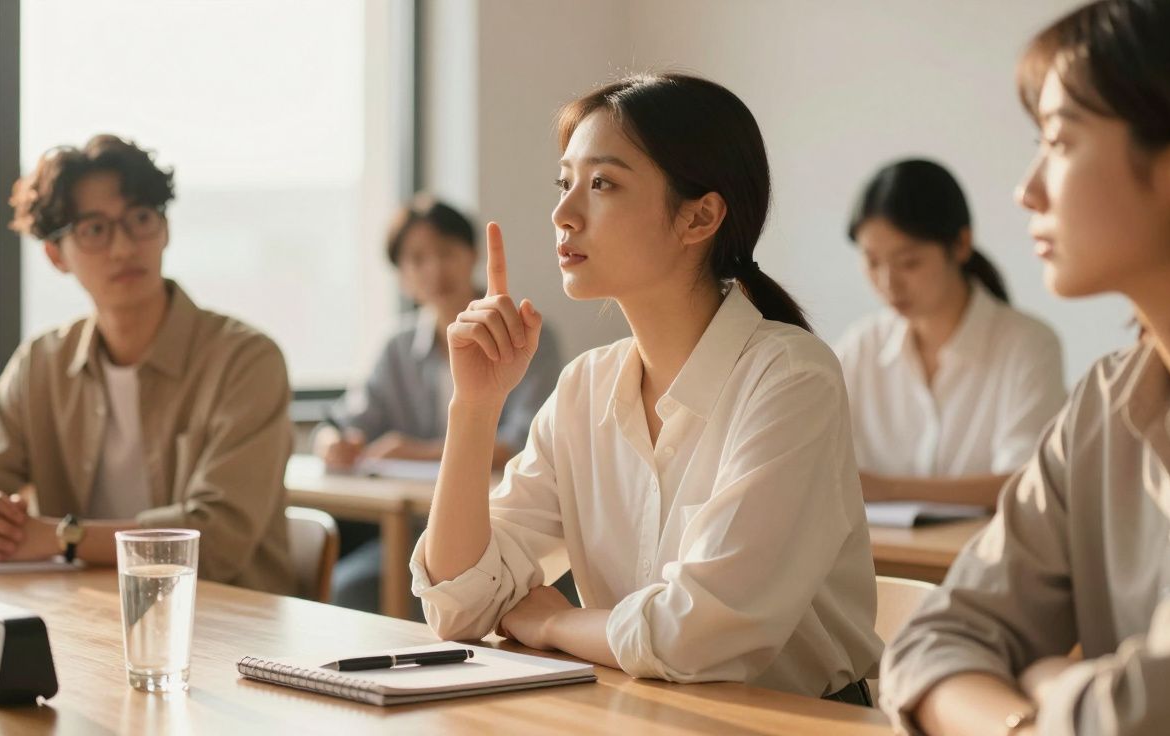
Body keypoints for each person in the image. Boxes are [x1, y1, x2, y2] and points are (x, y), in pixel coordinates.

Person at [412, 73, 881, 702]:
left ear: (700, 217)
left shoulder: (790, 379)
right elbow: (459, 606)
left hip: (792, 722)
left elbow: (698, 636)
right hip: (643, 710)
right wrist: (474, 407)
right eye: (565, 182)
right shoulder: (586, 385)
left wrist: (552, 620)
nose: (563, 213)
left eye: (602, 183)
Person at [880, 1, 1170, 733]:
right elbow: (925, 646)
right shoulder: (1104, 403)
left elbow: (1141, 717)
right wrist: (1034, 721)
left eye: (1059, 143)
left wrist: (1049, 681)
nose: (1027, 190)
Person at [0, 135, 294, 595]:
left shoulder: (246, 360)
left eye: (139, 219)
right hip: (88, 616)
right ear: (56, 255)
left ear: (165, 228)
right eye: (94, 229)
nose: (123, 248)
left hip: (232, 624)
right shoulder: (42, 363)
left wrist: (64, 538)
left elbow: (218, 540)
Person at [312, 195, 561, 612]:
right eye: (416, 259)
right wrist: (331, 442)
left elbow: (522, 443)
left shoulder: (525, 334)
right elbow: (344, 421)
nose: (434, 269)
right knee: (350, 585)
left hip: (502, 522)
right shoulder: (397, 346)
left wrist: (415, 451)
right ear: (401, 276)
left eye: (446, 252)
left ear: (472, 255)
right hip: (409, 530)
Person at [836, 159, 1066, 509]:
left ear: (960, 244)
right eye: (872, 262)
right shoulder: (860, 348)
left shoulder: (1028, 345)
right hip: (880, 558)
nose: (888, 283)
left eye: (909, 262)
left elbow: (1027, 483)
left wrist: (886, 489)